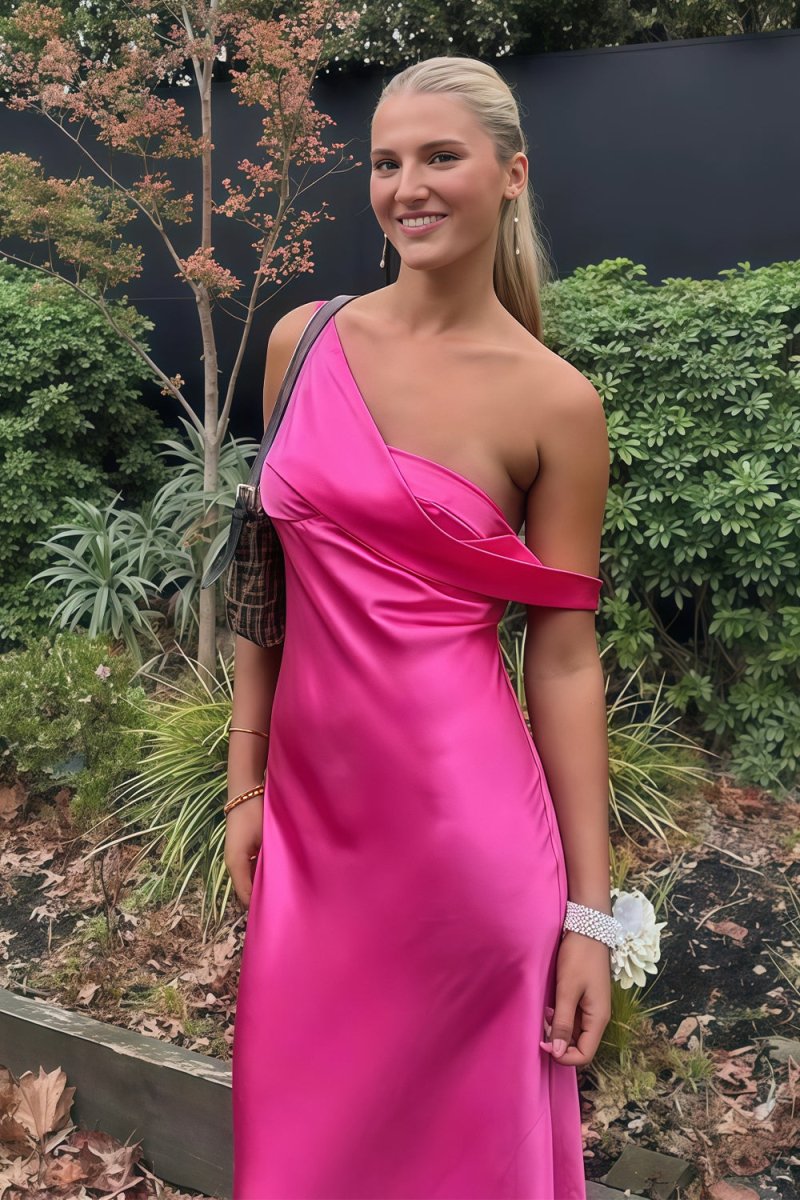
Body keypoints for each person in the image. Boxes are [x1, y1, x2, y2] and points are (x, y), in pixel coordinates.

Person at [224, 54, 615, 1200]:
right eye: (385, 162)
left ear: (510, 175)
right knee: (298, 1154)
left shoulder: (553, 402)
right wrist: (245, 783)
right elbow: (265, 572)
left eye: (440, 156)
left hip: (464, 847)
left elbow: (564, 662)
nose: (407, 187)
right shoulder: (302, 342)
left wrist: (587, 918)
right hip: (311, 833)